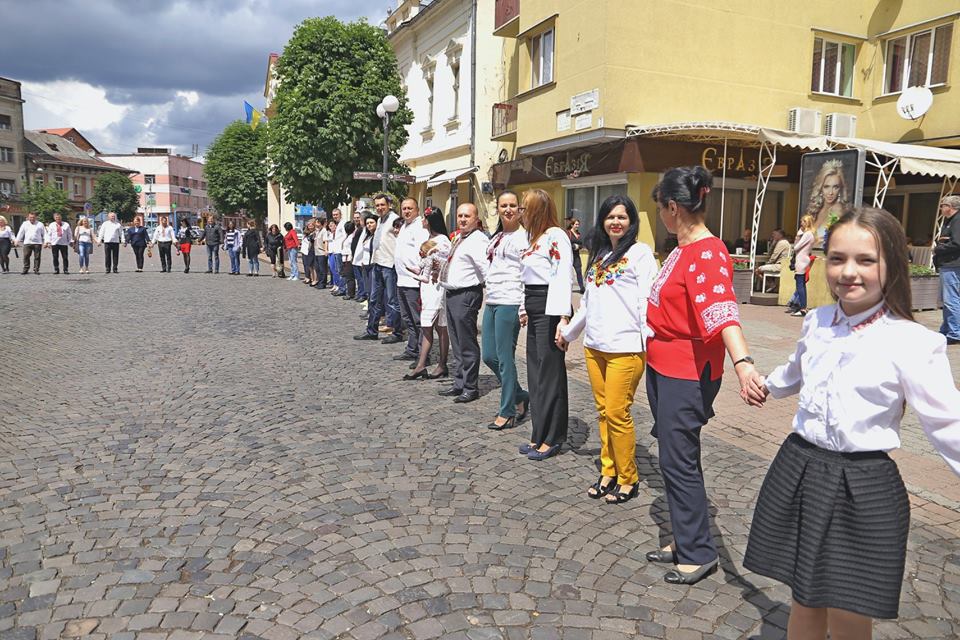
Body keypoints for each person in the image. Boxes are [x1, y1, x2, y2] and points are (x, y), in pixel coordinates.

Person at [744, 207, 960, 639]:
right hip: (801, 468)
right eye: (838, 258)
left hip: (864, 484)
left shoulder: (914, 342)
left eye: (865, 260)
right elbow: (797, 367)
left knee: (848, 609)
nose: (848, 272)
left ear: (892, 264)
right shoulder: (817, 321)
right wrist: (766, 383)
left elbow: (948, 424)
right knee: (804, 598)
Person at [644, 166, 762, 585]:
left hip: (687, 372)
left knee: (679, 463)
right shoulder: (681, 248)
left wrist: (743, 362)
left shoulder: (707, 252)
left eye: (660, 207)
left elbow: (723, 311)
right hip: (664, 365)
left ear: (673, 207)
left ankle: (698, 551)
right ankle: (684, 534)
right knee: (673, 460)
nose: (659, 214)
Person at [558, 195, 658, 503]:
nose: (616, 222)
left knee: (617, 412)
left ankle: (628, 477)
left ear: (631, 222)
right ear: (602, 221)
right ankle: (608, 470)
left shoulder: (640, 253)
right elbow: (588, 303)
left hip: (626, 347)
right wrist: (569, 332)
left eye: (622, 217)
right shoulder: (600, 255)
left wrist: (649, 338)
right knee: (604, 413)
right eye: (610, 217)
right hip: (595, 346)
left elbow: (646, 299)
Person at [519, 189, 574, 461]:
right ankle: (538, 431)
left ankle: (552, 436)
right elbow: (527, 276)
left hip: (550, 308)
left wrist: (563, 318)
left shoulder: (556, 236)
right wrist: (523, 306)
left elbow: (562, 275)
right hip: (534, 305)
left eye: (524, 208)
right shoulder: (535, 238)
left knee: (550, 373)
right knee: (535, 372)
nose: (520, 212)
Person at [481, 192, 530, 430]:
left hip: (510, 301)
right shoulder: (498, 236)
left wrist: (523, 306)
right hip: (492, 299)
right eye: (503, 205)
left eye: (512, 205)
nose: (508, 209)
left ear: (519, 210)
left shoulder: (524, 238)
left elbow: (526, 274)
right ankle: (520, 396)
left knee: (505, 359)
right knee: (489, 355)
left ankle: (508, 410)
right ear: (497, 208)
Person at [438, 203, 489, 403]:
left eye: (467, 216)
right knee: (456, 341)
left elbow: (486, 269)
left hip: (466, 294)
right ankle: (459, 382)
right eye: (460, 216)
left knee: (466, 341)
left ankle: (470, 386)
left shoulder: (478, 240)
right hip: (452, 294)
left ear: (476, 219)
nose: (462, 219)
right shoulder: (460, 237)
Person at [404, 208, 452, 381]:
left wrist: (435, 266)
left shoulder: (443, 241)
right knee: (430, 326)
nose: (422, 221)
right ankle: (423, 364)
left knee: (437, 326)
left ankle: (438, 364)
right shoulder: (429, 239)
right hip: (427, 288)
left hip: (437, 288)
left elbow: (445, 263)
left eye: (425, 218)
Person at [355, 194, 401, 342]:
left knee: (392, 300)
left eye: (382, 205)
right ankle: (371, 330)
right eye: (377, 205)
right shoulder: (380, 219)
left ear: (389, 205)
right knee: (374, 299)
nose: (380, 208)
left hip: (389, 264)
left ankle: (396, 332)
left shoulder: (395, 219)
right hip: (378, 263)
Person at [394, 198, 431, 364]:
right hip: (401, 279)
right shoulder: (404, 226)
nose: (406, 211)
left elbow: (423, 251)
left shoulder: (420, 228)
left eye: (410, 208)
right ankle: (412, 348)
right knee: (407, 318)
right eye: (404, 208)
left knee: (417, 319)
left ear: (417, 209)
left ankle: (423, 355)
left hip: (413, 281)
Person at [934, 194, 960, 345]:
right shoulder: (951, 221)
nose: (941, 208)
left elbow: (957, 243)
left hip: (952, 265)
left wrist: (939, 249)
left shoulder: (957, 221)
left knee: (951, 300)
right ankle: (947, 329)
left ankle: (954, 333)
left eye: (943, 205)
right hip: (950, 265)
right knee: (951, 299)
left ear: (950, 207)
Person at [806, 159, 848, 246]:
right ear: (821, 188)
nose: (831, 192)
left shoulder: (838, 210)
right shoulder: (817, 209)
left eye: (835, 187)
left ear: (840, 189)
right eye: (826, 187)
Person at [790, 215, 816, 317]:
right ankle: (803, 307)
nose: (801, 224)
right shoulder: (809, 234)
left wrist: (798, 236)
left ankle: (803, 308)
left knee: (799, 284)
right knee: (801, 284)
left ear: (807, 223)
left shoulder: (807, 234)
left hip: (801, 261)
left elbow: (796, 247)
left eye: (803, 222)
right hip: (802, 260)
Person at [566, 216, 585, 293]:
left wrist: (579, 246)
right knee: (568, 273)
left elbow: (582, 244)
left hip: (576, 256)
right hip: (569, 256)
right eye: (576, 224)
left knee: (579, 272)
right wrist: (573, 246)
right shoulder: (568, 233)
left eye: (578, 224)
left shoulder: (578, 234)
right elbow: (566, 243)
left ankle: (582, 288)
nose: (577, 226)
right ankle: (566, 288)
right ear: (572, 225)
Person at [329, 208, 345, 294]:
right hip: (336, 251)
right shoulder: (338, 224)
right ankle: (339, 287)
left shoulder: (343, 223)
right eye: (334, 215)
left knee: (341, 271)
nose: (335, 216)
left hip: (340, 251)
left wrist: (343, 248)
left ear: (340, 214)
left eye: (336, 214)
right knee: (338, 270)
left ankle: (342, 289)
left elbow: (345, 236)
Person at [339, 221, 357, 299]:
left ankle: (350, 293)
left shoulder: (352, 237)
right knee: (346, 276)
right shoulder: (347, 236)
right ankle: (348, 291)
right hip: (344, 258)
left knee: (350, 277)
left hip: (349, 258)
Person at [300, 220, 316, 284]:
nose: (310, 226)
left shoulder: (314, 233)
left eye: (311, 225)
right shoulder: (305, 232)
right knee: (305, 264)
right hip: (304, 250)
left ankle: (311, 278)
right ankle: (307, 277)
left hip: (309, 250)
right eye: (309, 225)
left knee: (309, 265)